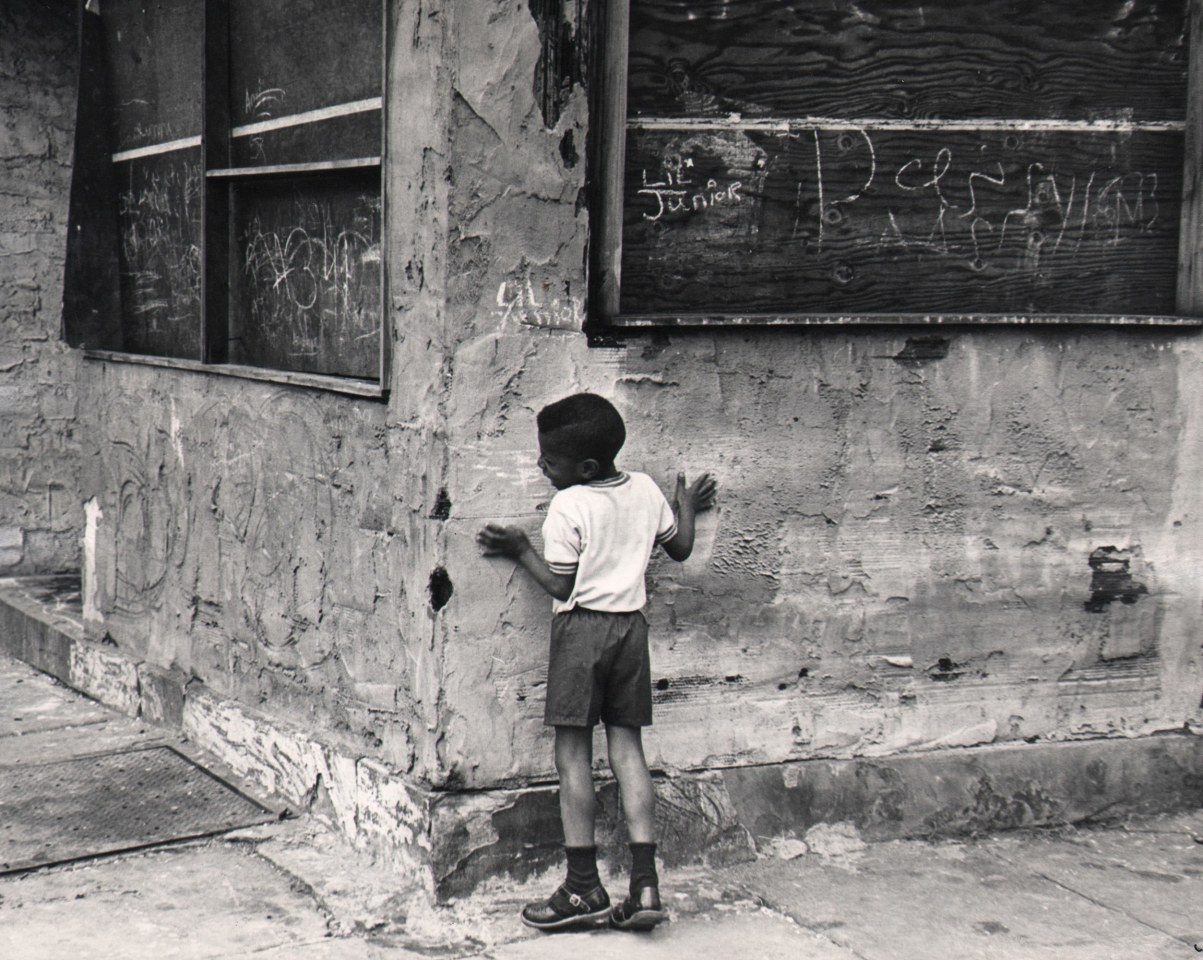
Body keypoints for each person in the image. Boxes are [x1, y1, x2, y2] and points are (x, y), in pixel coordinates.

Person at [477, 392, 717, 933]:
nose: (542, 467)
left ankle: (584, 888)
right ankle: (645, 883)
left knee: (573, 758)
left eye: (550, 462)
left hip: (582, 632)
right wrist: (684, 505)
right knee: (628, 750)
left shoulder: (569, 505)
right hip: (632, 631)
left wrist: (520, 549)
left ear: (584, 468)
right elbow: (678, 548)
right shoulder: (646, 490)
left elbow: (561, 584)